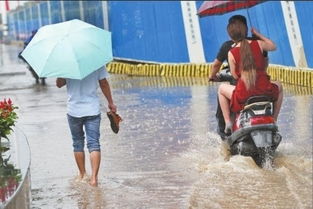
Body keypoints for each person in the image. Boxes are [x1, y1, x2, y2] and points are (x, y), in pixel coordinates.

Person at [218, 19, 283, 135]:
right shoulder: (259, 43)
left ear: (230, 35)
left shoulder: (231, 52)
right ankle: (274, 118)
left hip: (244, 93)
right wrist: (258, 34)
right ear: (245, 31)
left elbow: (234, 76)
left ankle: (228, 122)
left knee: (221, 89)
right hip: (265, 89)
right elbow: (273, 46)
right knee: (279, 86)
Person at [56, 66, 117, 187]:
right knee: (94, 144)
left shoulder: (66, 64)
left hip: (74, 111)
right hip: (92, 109)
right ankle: (94, 179)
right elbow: (104, 84)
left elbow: (59, 84)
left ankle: (83, 175)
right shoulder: (96, 62)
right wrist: (110, 102)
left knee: (77, 143)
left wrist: (62, 71)